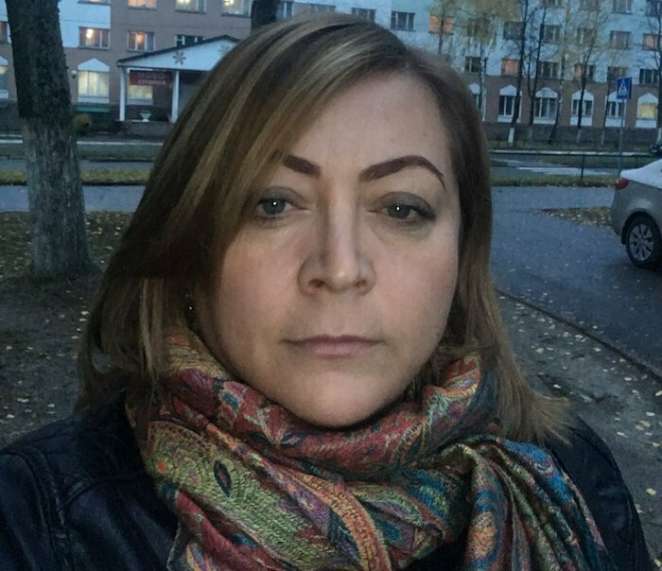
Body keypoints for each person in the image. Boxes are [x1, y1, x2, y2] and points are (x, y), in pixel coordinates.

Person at [0, 13, 650, 571]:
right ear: (190, 242)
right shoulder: (38, 519)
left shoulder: (573, 477)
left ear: (461, 252)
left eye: (401, 208)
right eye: (272, 204)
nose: (339, 269)